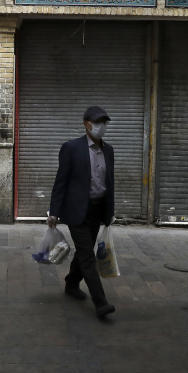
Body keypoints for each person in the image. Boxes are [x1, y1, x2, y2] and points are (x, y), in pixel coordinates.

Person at [47, 106, 117, 319]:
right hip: (77, 210)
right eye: (97, 122)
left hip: (97, 210)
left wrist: (110, 211)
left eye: (104, 122)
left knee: (83, 250)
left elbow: (110, 184)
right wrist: (54, 211)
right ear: (86, 124)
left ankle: (71, 283)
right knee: (87, 255)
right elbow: (61, 182)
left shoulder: (109, 150)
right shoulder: (71, 148)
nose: (101, 126)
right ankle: (101, 302)